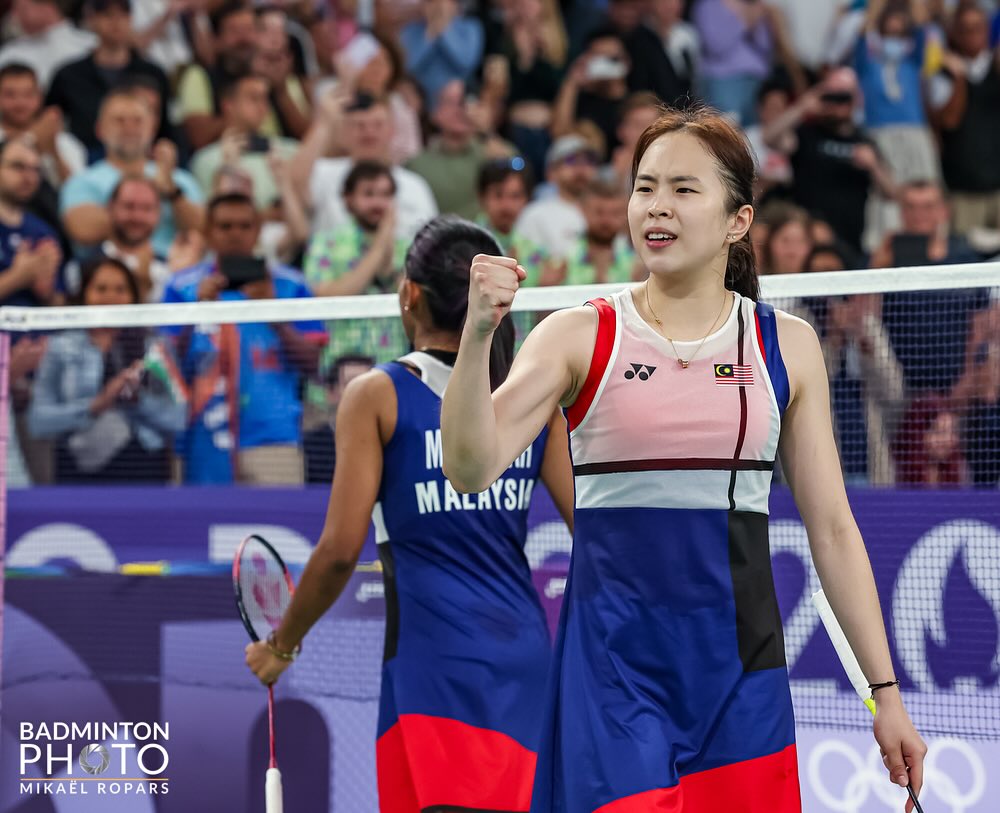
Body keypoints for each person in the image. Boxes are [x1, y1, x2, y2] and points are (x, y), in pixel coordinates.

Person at [441, 107, 926, 811]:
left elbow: (832, 529)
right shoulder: (580, 335)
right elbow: (468, 466)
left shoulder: (784, 346)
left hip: (742, 686)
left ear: (738, 220)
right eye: (644, 187)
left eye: (683, 188)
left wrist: (886, 696)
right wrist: (478, 334)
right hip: (613, 681)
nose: (656, 206)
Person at [245, 215, 574, 812]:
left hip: (434, 672)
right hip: (525, 659)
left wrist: (281, 646)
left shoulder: (377, 395)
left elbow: (339, 551)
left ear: (409, 294)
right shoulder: (530, 400)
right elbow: (592, 529)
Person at [163, 192, 324, 485]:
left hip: (273, 439)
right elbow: (167, 366)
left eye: (244, 226)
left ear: (258, 229)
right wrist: (195, 312)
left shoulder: (291, 285)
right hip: (199, 439)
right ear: (208, 231)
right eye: (225, 226)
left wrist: (274, 314)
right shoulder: (182, 287)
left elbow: (313, 364)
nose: (235, 234)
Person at [28, 256, 187, 483]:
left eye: (120, 289)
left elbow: (179, 418)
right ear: (84, 294)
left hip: (146, 473)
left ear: (133, 297)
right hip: (77, 475)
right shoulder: (60, 347)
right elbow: (38, 422)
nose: (111, 297)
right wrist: (96, 405)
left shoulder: (154, 347)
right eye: (101, 288)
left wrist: (138, 401)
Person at [60, 88, 204, 259]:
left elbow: (204, 230)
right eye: (119, 121)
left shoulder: (180, 180)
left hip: (175, 267)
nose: (129, 128)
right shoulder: (82, 181)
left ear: (153, 128)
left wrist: (172, 192)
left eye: (138, 121)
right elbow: (81, 228)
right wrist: (141, 204)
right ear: (100, 129)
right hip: (111, 268)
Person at [304, 160, 409, 369]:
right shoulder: (325, 243)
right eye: (368, 194)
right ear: (348, 199)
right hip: (338, 367)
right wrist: (379, 246)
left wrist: (388, 252)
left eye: (386, 195)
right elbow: (325, 296)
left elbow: (412, 304)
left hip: (393, 365)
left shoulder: (406, 247)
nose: (378, 203)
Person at [45, 0, 172, 158]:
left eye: (123, 15)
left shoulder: (153, 73)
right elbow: (50, 121)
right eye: (107, 15)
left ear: (131, 19)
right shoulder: (68, 75)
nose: (116, 22)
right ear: (91, 19)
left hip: (142, 159)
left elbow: (166, 128)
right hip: (83, 159)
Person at [931, 4, 1000, 240]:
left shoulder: (996, 67)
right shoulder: (943, 72)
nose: (972, 35)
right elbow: (950, 120)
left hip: (998, 186)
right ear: (955, 33)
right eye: (965, 29)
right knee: (966, 255)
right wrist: (960, 78)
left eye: (977, 28)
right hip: (963, 190)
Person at [190, 73, 299, 211]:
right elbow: (210, 215)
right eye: (254, 98)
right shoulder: (205, 160)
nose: (263, 106)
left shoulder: (291, 150)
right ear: (228, 105)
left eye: (265, 98)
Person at [0, 63, 86, 187]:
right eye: (10, 95)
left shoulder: (65, 143)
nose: (20, 102)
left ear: (40, 97)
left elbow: (77, 192)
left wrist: (53, 152)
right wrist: (30, 139)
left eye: (28, 94)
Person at [514, 134, 597, 260]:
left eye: (588, 161)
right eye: (571, 161)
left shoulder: (609, 211)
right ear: (551, 172)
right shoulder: (535, 215)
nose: (581, 169)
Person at [0, 138, 60, 308]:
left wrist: (46, 290)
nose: (29, 177)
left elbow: (60, 302)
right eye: (18, 166)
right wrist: (18, 277)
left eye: (35, 170)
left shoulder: (43, 231)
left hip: (35, 323)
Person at [399, 0, 484, 104]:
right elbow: (408, 66)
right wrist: (430, 33)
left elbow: (466, 63)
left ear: (455, 5)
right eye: (431, 2)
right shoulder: (411, 30)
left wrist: (444, 30)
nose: (437, 7)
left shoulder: (470, 27)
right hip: (420, 100)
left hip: (458, 101)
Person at [0, 0, 96, 90]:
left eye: (22, 9)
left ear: (46, 6)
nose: (14, 16)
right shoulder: (10, 52)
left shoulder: (89, 45)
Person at [560, 178, 636, 285]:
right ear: (583, 210)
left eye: (615, 213)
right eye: (599, 212)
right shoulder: (565, 257)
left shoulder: (637, 263)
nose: (606, 220)